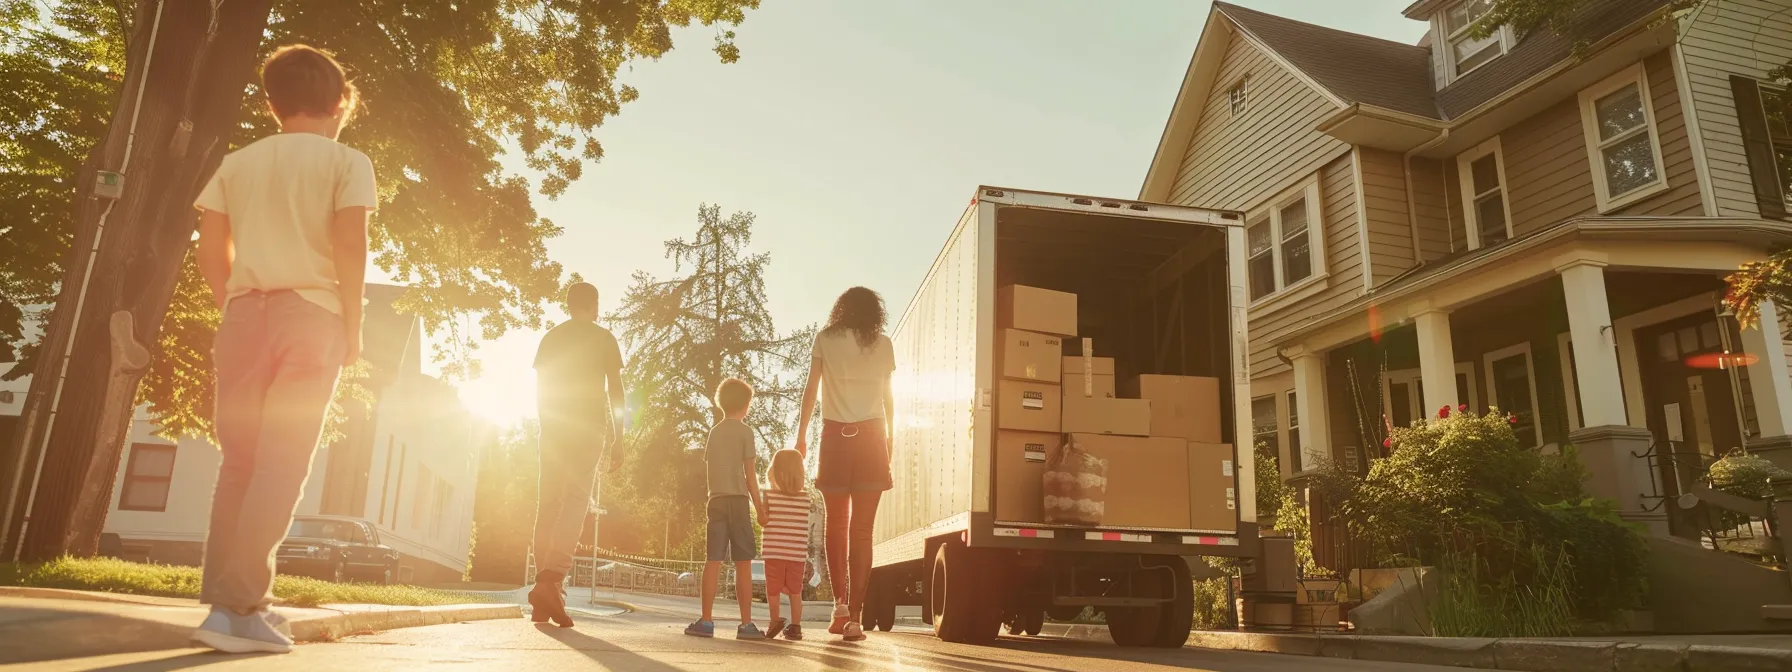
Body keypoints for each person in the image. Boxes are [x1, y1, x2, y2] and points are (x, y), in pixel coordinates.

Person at [190, 44, 375, 654]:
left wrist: (234, 304)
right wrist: (353, 326)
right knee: (281, 463)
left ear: (272, 103)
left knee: (238, 462)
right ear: (339, 101)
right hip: (313, 316)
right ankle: (246, 606)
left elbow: (210, 250)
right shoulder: (347, 162)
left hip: (244, 314)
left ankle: (225, 607)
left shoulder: (236, 164)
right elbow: (350, 249)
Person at [794, 286, 895, 642]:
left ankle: (839, 606)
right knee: (863, 531)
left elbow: (810, 390)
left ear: (841, 310)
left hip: (835, 438)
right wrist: (891, 439)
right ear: (874, 313)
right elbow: (887, 399)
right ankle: (855, 618)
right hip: (872, 439)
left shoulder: (825, 339)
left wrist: (801, 435)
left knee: (836, 525)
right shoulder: (883, 344)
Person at [529, 281, 625, 628]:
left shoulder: (551, 338)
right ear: (595, 305)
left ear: (568, 305)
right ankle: (551, 579)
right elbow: (615, 389)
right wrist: (620, 437)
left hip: (553, 428)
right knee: (575, 502)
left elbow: (542, 389)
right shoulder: (604, 339)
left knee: (547, 505)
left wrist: (546, 427)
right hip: (588, 429)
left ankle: (545, 594)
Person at [685, 378, 767, 640]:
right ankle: (746, 625)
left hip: (716, 500)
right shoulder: (746, 432)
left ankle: (706, 621)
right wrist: (761, 508)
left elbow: (711, 469)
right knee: (743, 562)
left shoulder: (715, 432)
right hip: (739, 502)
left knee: (713, 560)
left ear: (721, 404)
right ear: (746, 405)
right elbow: (750, 475)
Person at [761, 448, 813, 641]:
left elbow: (763, 520)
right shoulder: (805, 498)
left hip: (774, 551)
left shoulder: (769, 496)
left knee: (773, 589)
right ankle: (796, 626)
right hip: (796, 553)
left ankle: (775, 621)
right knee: (795, 591)